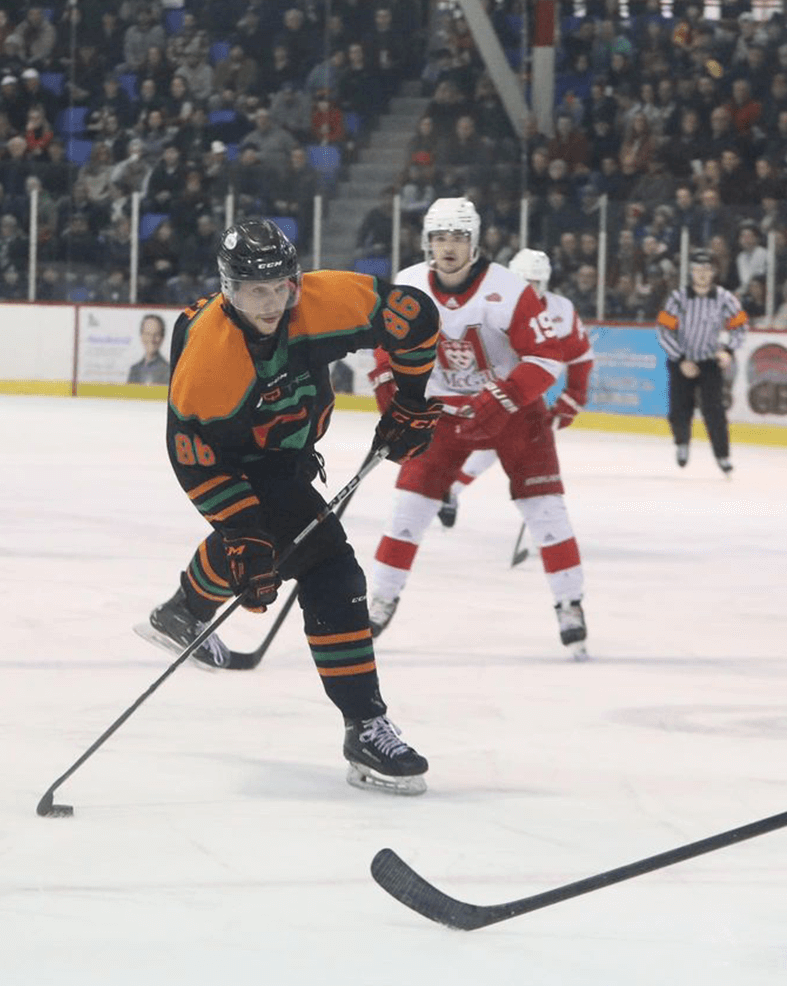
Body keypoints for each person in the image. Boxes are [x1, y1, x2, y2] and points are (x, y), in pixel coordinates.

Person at [136, 218, 443, 795]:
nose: (274, 301)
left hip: (289, 450)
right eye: (257, 290)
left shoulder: (319, 302)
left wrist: (409, 400)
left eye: (282, 285)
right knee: (329, 565)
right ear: (228, 290)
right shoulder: (209, 363)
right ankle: (364, 724)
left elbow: (415, 316)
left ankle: (181, 611)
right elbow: (194, 459)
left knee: (273, 541)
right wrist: (239, 530)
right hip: (234, 457)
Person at [365, 200, 591, 656]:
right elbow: (385, 346)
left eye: (458, 237)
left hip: (514, 414)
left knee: (546, 512)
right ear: (427, 241)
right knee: (408, 511)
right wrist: (393, 396)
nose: (448, 247)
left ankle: (570, 603)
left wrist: (505, 395)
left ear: (474, 241)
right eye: (440, 238)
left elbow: (548, 358)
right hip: (440, 414)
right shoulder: (408, 284)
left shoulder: (508, 290)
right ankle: (381, 599)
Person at [429, 248, 594, 538]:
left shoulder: (561, 311)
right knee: (481, 444)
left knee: (522, 458)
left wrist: (573, 398)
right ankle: (450, 490)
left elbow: (581, 357)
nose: (530, 290)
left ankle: (539, 521)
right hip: (489, 391)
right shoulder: (492, 303)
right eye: (524, 282)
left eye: (536, 284)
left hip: (526, 394)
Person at [657, 249, 747, 475]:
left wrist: (728, 350)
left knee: (714, 411)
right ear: (691, 272)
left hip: (709, 361)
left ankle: (722, 456)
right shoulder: (678, 297)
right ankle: (682, 443)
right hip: (681, 360)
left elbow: (741, 326)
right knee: (679, 409)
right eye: (698, 270)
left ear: (713, 272)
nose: (702, 274)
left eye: (707, 270)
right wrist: (679, 359)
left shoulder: (725, 298)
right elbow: (663, 330)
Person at [127, 311, 169, 384]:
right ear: (141, 336)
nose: (151, 339)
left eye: (156, 334)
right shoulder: (134, 369)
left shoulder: (168, 370)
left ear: (162, 337)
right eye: (147, 334)